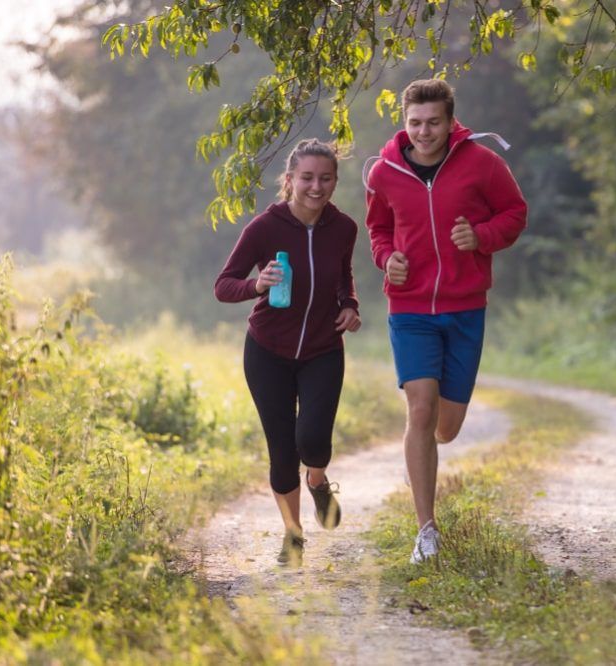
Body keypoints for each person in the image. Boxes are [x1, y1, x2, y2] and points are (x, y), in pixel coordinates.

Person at [363, 79, 527, 563]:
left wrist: (480, 237)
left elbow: (515, 213)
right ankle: (426, 531)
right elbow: (378, 229)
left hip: (464, 306)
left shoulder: (482, 163)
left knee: (445, 427)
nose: (424, 132)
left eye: (433, 122)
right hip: (409, 306)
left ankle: (427, 450)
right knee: (420, 409)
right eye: (415, 123)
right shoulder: (385, 172)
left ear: (451, 121)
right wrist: (386, 256)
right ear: (404, 122)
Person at [215, 138, 361, 565]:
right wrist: (257, 285)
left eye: (326, 178)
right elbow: (224, 285)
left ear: (335, 180)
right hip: (267, 351)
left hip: (322, 350)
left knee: (313, 440)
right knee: (282, 451)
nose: (317, 187)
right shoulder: (265, 227)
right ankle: (293, 536)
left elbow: (343, 279)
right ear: (291, 180)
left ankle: (317, 480)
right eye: (308, 178)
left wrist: (350, 306)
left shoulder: (345, 228)